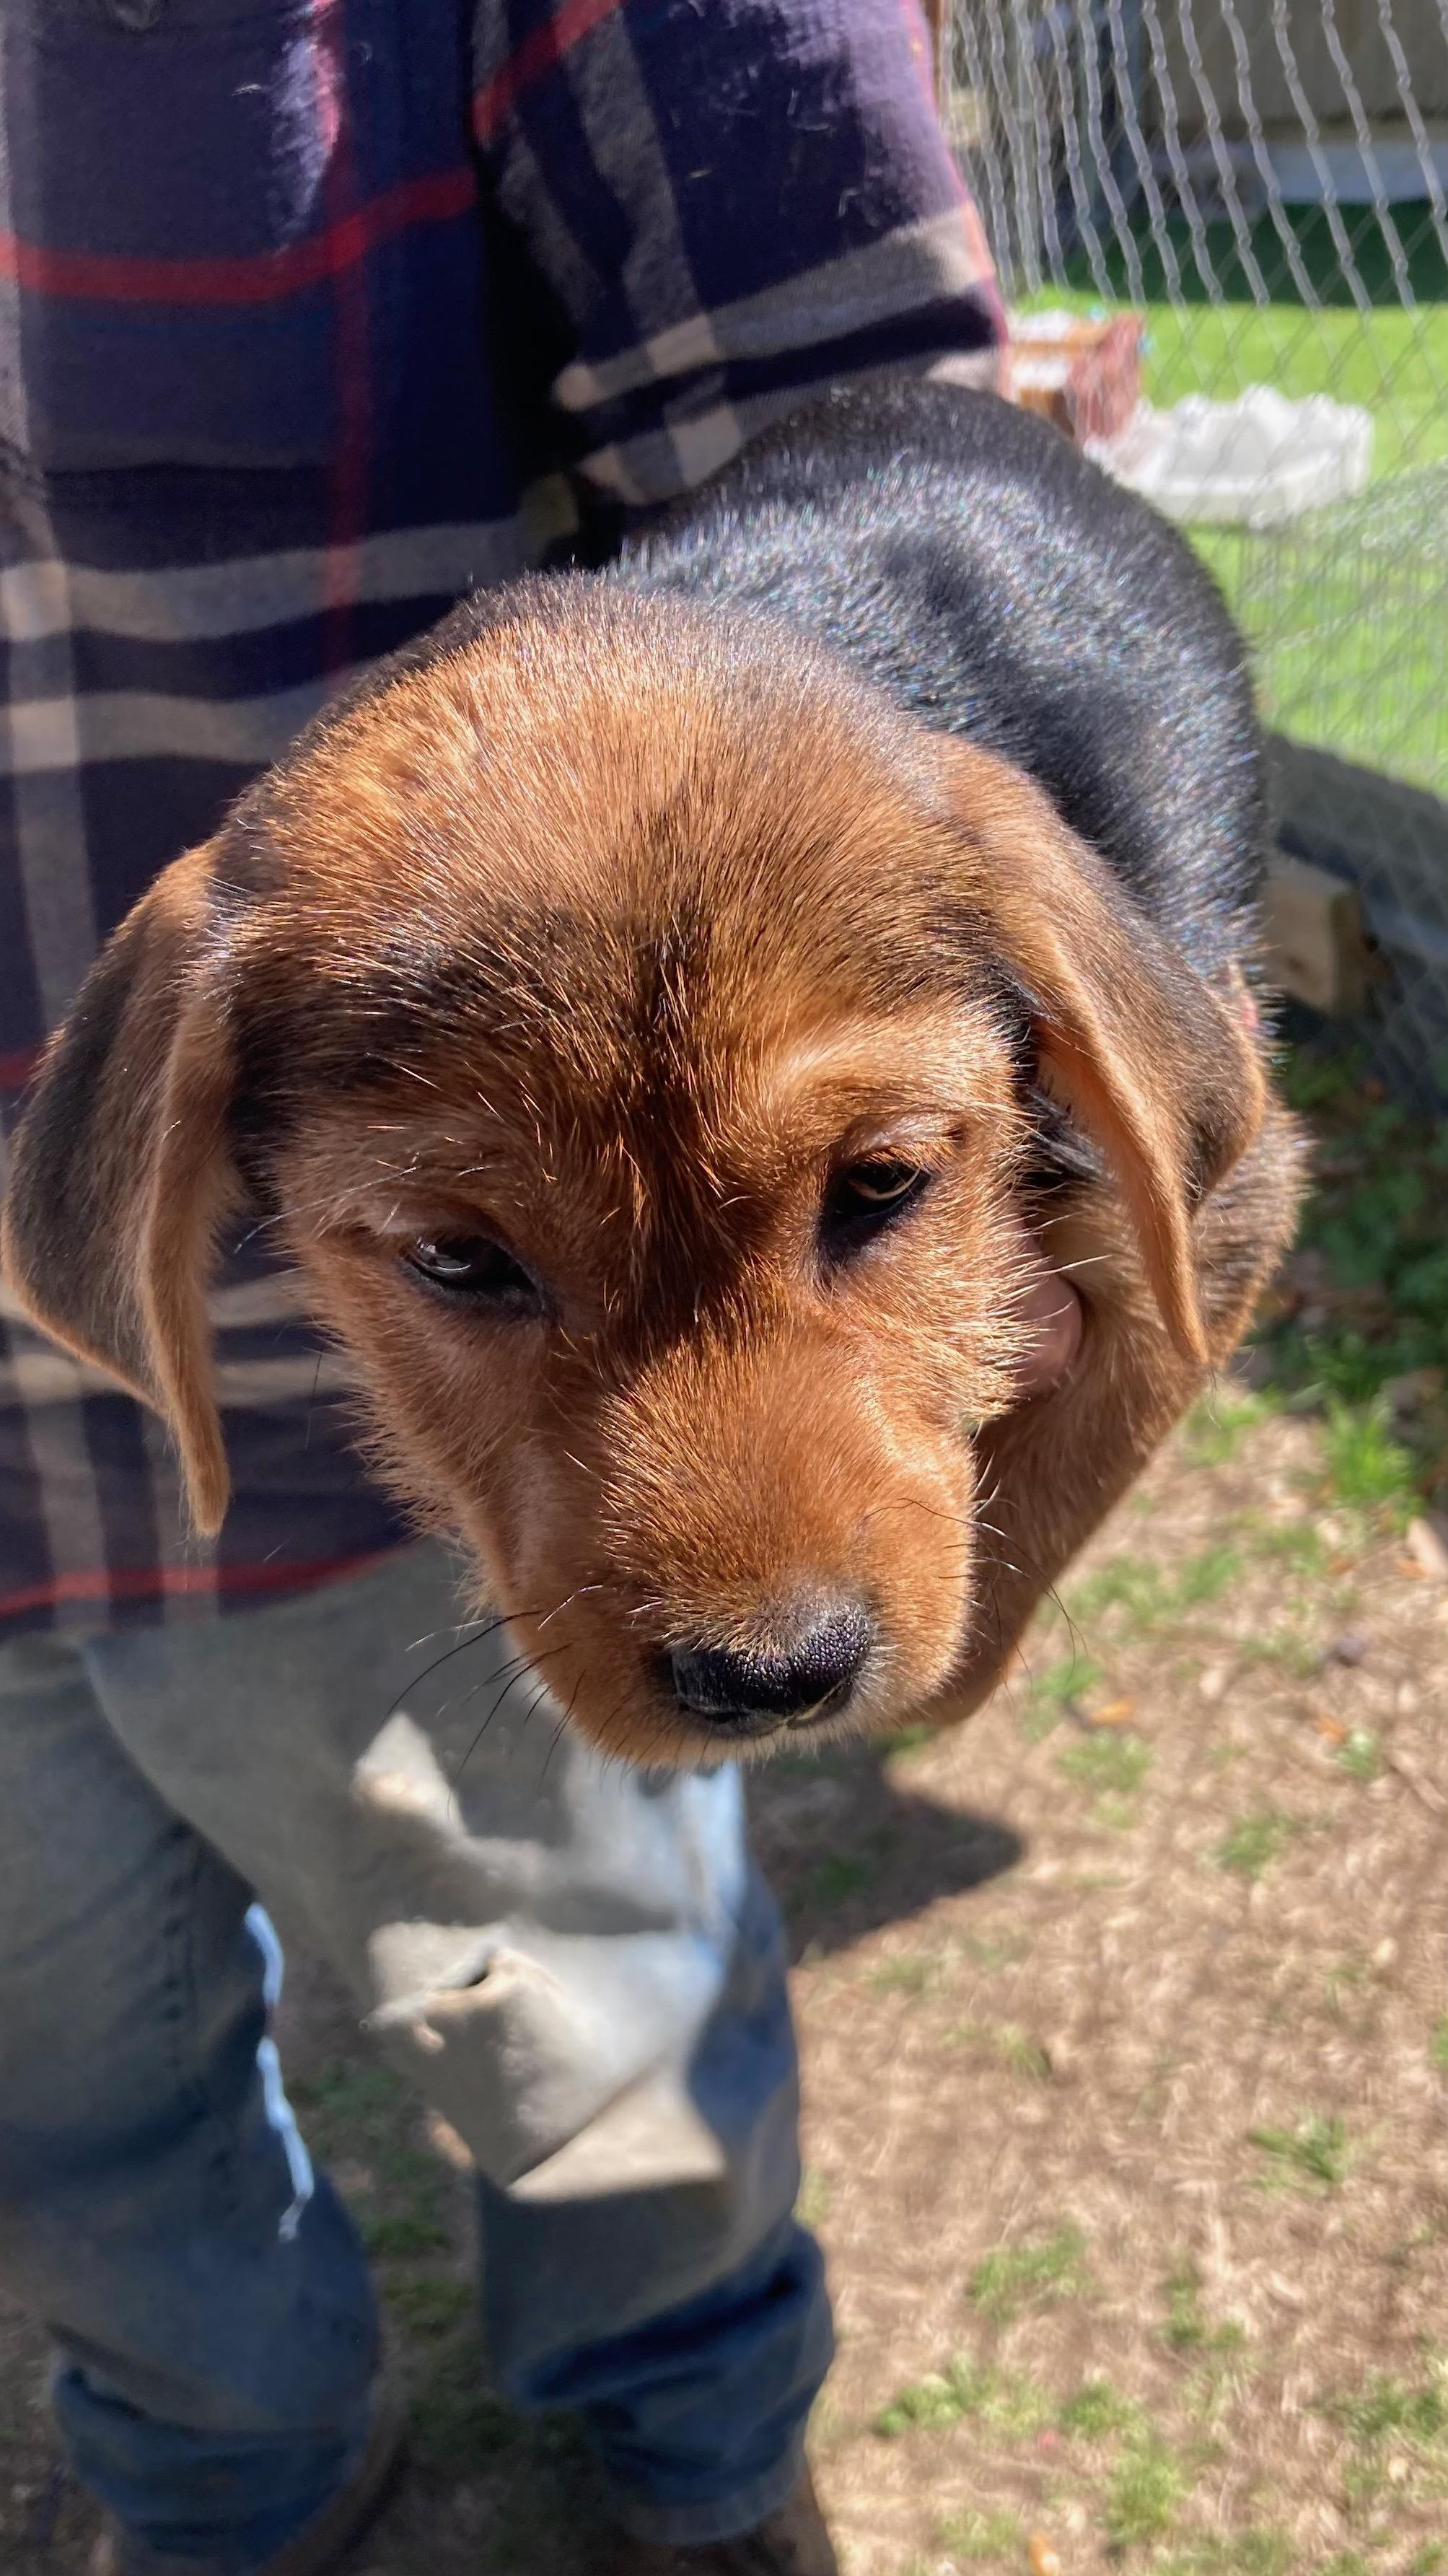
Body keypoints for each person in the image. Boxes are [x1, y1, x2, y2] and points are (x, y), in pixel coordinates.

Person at [0, 4, 1003, 2568]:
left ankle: (703, 2450)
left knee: (603, 2033)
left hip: (358, 1443)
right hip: (259, 1342)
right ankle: (227, 2477)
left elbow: (864, 446)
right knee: (59, 2104)